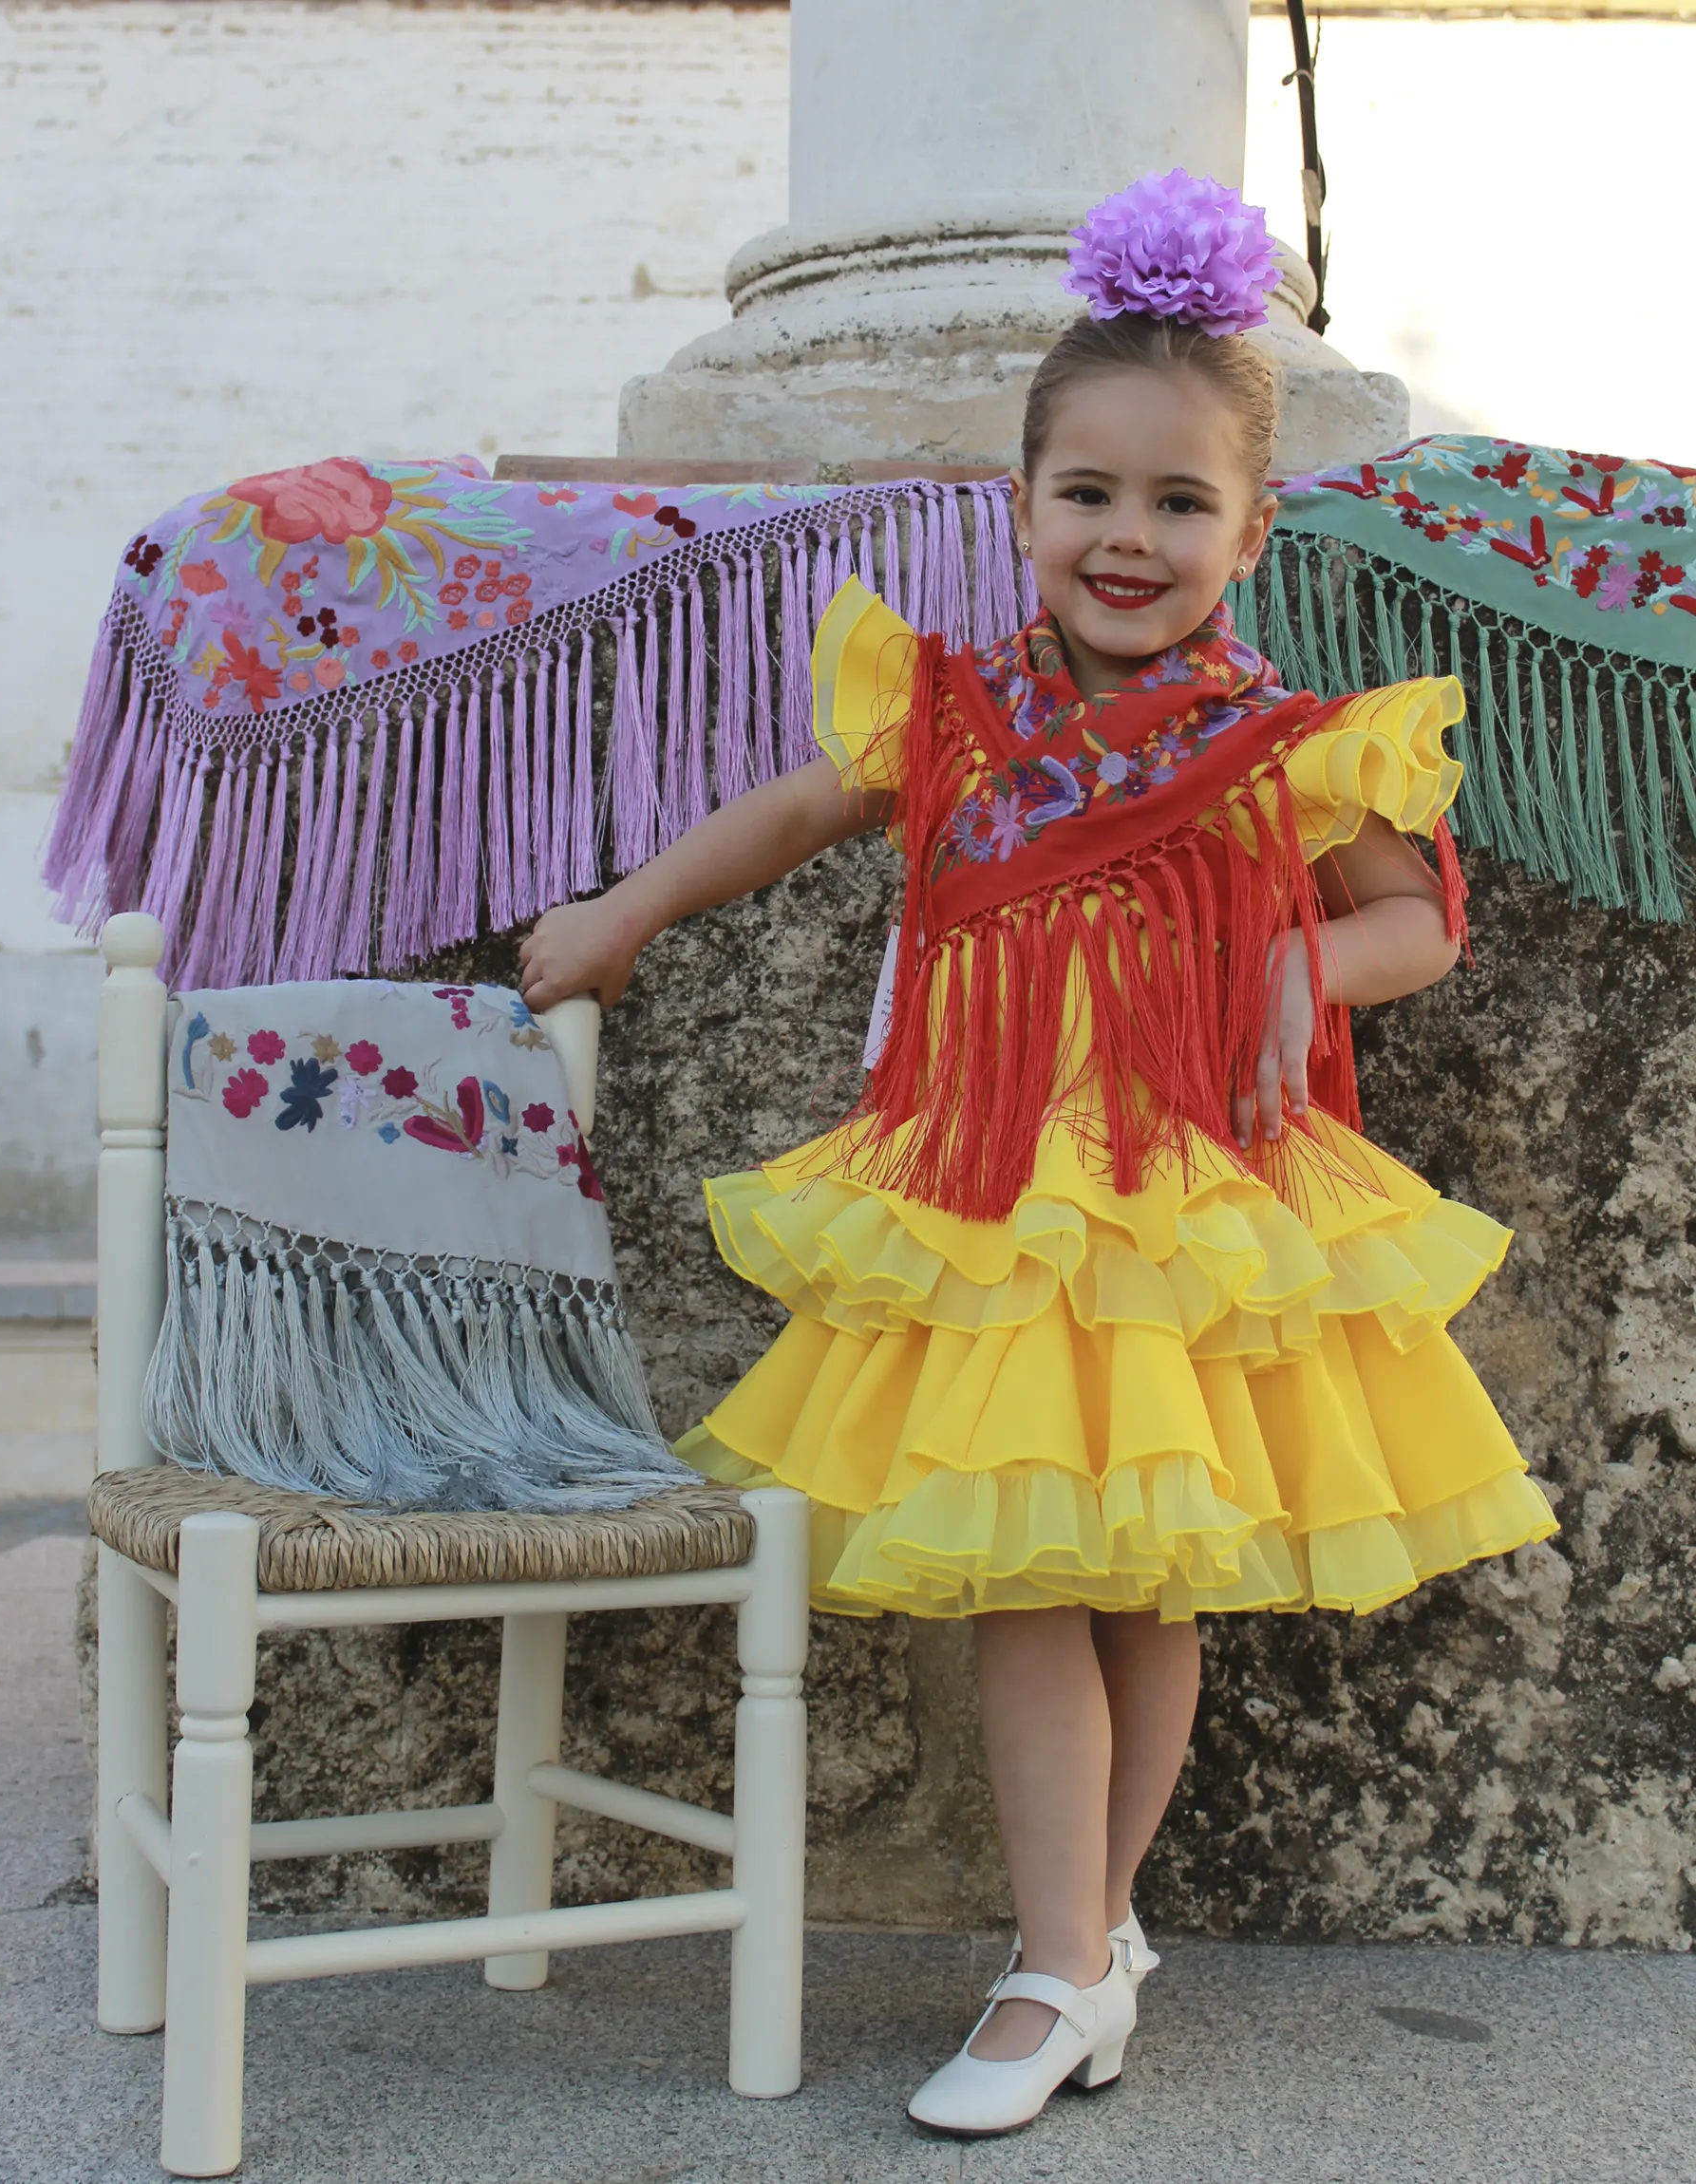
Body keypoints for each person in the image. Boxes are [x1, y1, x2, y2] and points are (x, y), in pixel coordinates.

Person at [518, 170, 1556, 2139]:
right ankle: (1070, 1951)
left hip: (1185, 1204)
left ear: (1252, 527)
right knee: (1030, 1580)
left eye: (1180, 503)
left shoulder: (1281, 742)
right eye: (1088, 492)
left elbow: (1418, 917)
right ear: (1021, 509)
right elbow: (783, 815)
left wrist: (1300, 954)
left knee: (1148, 1584)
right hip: (995, 1195)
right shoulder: (953, 711)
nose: (1129, 536)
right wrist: (625, 916)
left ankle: (1072, 1953)